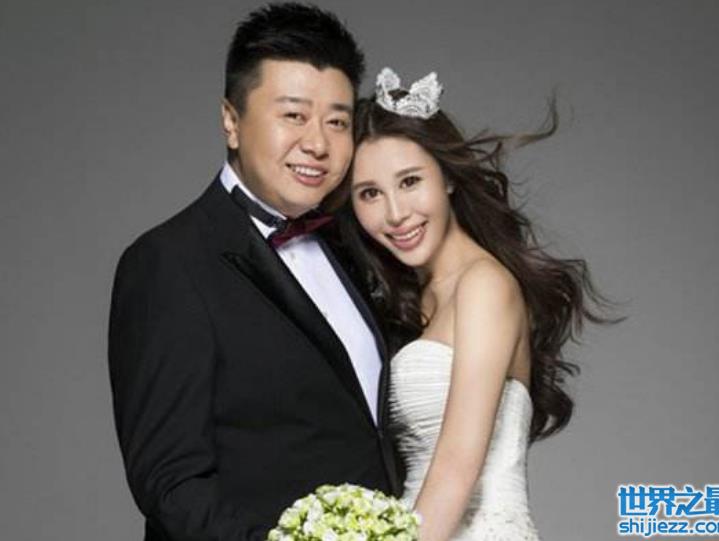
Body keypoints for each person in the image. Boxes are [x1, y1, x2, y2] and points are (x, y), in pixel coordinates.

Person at [107, 5, 401, 540]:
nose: (318, 144)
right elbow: (172, 485)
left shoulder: (354, 243)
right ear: (231, 120)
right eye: (294, 115)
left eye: (337, 122)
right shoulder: (168, 263)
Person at [339, 68, 617, 540]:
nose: (396, 213)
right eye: (370, 194)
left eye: (410, 181)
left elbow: (456, 467)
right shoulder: (420, 300)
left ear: (447, 178)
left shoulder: (484, 285)